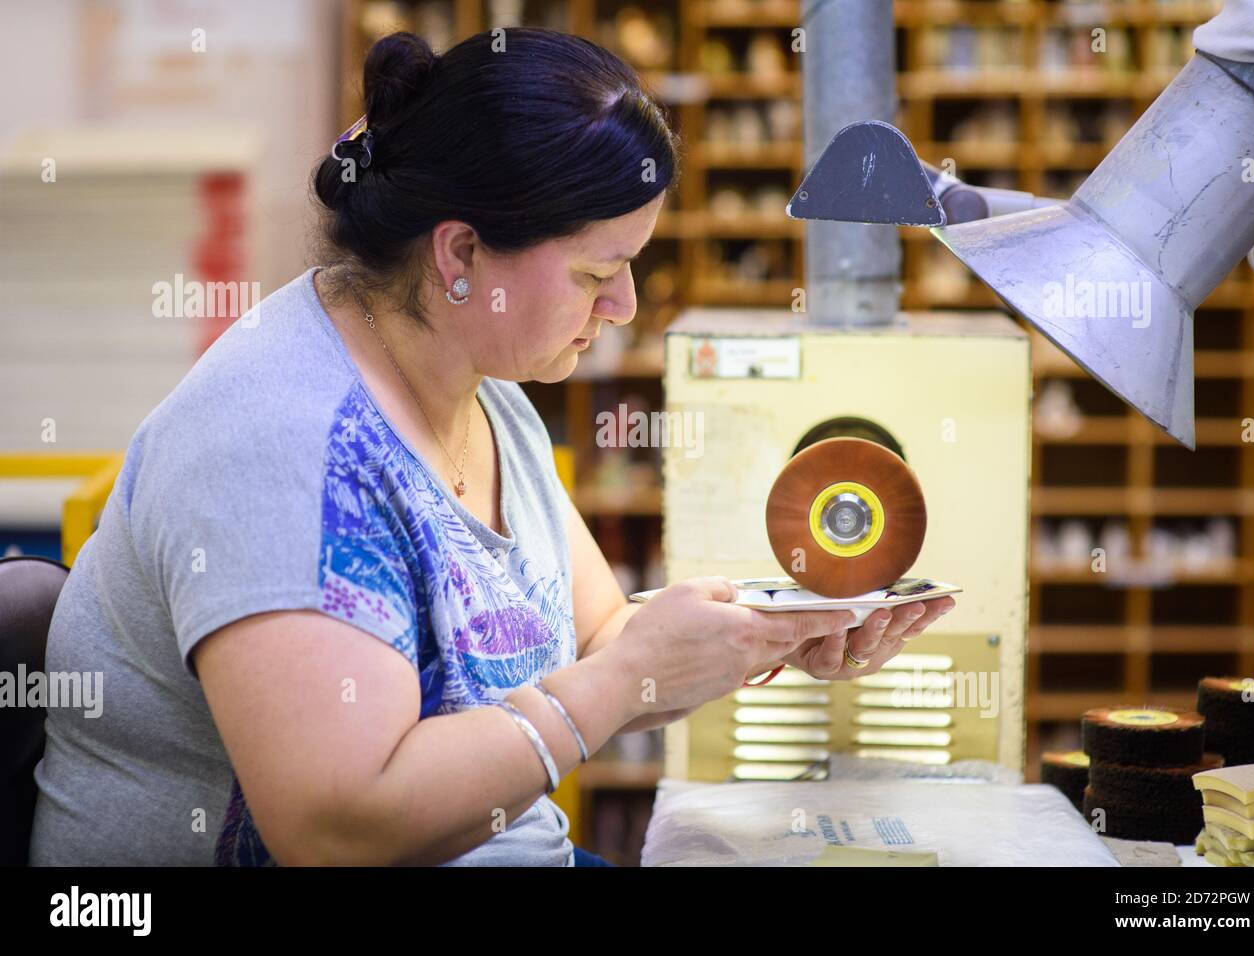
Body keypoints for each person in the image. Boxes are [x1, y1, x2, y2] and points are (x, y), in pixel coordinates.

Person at [29, 27, 955, 867]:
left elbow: (602, 637)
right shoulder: (287, 444)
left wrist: (770, 633)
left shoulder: (482, 388)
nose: (625, 306)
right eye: (597, 272)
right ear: (461, 255)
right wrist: (628, 680)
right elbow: (337, 828)